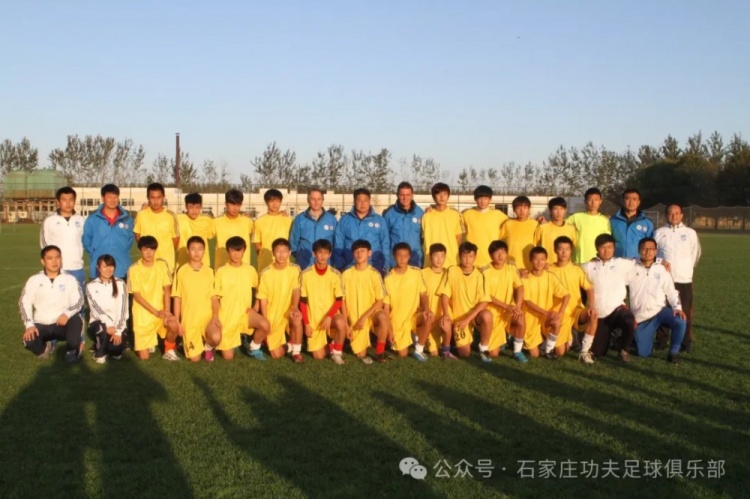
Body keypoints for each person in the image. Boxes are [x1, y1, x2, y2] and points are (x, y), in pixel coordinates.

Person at [19, 245, 84, 363]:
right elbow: (24, 302)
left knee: (76, 320)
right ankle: (45, 348)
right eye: (50, 258)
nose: (54, 261)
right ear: (43, 261)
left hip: (62, 323)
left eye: (57, 257)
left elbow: (79, 301)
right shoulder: (34, 280)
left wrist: (67, 314)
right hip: (41, 323)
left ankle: (71, 351)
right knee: (28, 341)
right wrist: (29, 325)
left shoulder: (69, 279)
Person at [627, 238, 686, 363]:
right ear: (638, 250)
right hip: (641, 317)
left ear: (656, 251)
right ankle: (634, 339)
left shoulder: (662, 269)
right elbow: (614, 263)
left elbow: (671, 291)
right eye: (644, 248)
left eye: (651, 249)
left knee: (680, 320)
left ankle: (674, 352)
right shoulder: (630, 267)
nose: (648, 252)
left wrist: (677, 307)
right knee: (643, 353)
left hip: (660, 312)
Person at [581, 234, 636, 363]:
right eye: (603, 247)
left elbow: (643, 259)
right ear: (597, 249)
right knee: (598, 352)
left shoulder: (622, 263)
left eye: (610, 247)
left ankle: (624, 350)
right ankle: (612, 339)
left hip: (617, 309)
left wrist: (661, 261)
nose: (606, 251)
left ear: (614, 248)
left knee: (629, 320)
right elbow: (570, 269)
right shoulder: (588, 266)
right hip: (599, 314)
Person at [212, 236, 269, 361]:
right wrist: (216, 316)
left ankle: (254, 348)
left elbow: (258, 291)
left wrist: (255, 308)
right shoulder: (221, 271)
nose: (236, 254)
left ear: (244, 251)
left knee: (265, 324)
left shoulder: (250, 270)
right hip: (228, 317)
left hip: (245, 314)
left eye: (239, 250)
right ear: (228, 251)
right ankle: (236, 339)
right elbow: (215, 297)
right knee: (228, 357)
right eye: (233, 250)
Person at [654, 204, 701, 352]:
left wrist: (686, 269)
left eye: (676, 213)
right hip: (663, 279)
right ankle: (661, 341)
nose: (673, 215)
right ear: (666, 215)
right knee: (662, 309)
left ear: (681, 215)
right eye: (670, 213)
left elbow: (695, 253)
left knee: (685, 311)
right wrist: (661, 264)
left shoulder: (690, 233)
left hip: (683, 279)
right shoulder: (659, 233)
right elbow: (653, 254)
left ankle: (685, 343)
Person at [127, 236, 181, 360]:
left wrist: (167, 312)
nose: (149, 253)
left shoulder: (161, 265)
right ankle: (150, 342)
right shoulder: (133, 269)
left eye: (151, 249)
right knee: (144, 358)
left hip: (161, 312)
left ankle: (169, 349)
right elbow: (137, 296)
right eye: (145, 249)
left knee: (173, 324)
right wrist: (155, 312)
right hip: (143, 316)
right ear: (140, 250)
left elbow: (167, 289)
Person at [548, 236, 598, 363]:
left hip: (575, 311)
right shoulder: (548, 269)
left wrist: (591, 305)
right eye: (560, 249)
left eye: (567, 249)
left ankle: (584, 352)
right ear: (555, 250)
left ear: (571, 251)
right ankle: (566, 339)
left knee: (593, 314)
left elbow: (589, 287)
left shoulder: (577, 269)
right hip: (558, 313)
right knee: (560, 352)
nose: (564, 252)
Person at [439, 242, 491, 360]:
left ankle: (484, 349)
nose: (467, 260)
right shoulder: (452, 270)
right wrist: (446, 314)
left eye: (471, 256)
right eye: (464, 256)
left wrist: (467, 319)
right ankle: (449, 344)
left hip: (472, 316)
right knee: (465, 353)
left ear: (475, 257)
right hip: (457, 317)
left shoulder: (480, 275)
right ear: (459, 256)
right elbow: (444, 294)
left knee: (487, 315)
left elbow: (484, 301)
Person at [299, 239, 348, 364]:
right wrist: (306, 323)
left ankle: (337, 353)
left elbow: (339, 300)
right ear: (314, 254)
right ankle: (332, 345)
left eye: (326, 252)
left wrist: (329, 316)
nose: (323, 256)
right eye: (320, 252)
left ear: (330, 254)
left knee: (341, 321)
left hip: (331, 315)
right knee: (319, 356)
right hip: (314, 318)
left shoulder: (335, 274)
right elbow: (303, 302)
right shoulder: (305, 274)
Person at [341, 240, 390, 363]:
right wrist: (346, 325)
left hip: (371, 314)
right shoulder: (346, 274)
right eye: (356, 252)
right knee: (360, 354)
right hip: (355, 318)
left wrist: (364, 317)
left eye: (362, 251)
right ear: (352, 254)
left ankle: (380, 352)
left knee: (383, 316)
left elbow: (380, 301)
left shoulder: (375, 274)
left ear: (369, 253)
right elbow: (342, 301)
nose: (359, 254)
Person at [172, 236, 220, 362]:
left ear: (204, 251)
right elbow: (177, 298)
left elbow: (215, 299)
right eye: (193, 249)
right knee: (195, 359)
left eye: (200, 249)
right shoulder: (181, 271)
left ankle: (208, 347)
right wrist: (177, 321)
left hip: (207, 318)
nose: (196, 252)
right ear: (187, 251)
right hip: (190, 320)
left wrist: (215, 316)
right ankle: (191, 344)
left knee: (216, 337)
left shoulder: (210, 271)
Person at [257, 238, 304, 362]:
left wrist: (295, 307)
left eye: (284, 251)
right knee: (276, 354)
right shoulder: (266, 273)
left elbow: (296, 290)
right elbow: (263, 298)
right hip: (273, 315)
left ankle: (296, 352)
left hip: (289, 311)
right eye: (278, 251)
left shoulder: (295, 269)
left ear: (289, 253)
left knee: (297, 317)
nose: (281, 255)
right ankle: (290, 344)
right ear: (273, 253)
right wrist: (265, 319)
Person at [384, 243, 433, 360]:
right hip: (398, 321)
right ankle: (407, 338)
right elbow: (386, 308)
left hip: (414, 316)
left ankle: (419, 349)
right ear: (394, 256)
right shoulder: (388, 279)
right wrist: (389, 330)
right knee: (403, 355)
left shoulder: (416, 273)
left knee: (429, 316)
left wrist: (427, 309)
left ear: (409, 256)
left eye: (405, 256)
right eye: (399, 256)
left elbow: (423, 294)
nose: (402, 259)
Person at [482, 240, 527, 362]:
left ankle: (517, 351)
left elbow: (519, 287)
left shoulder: (511, 267)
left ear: (507, 254)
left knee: (520, 317)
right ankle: (501, 338)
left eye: (503, 252)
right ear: (490, 255)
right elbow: (487, 296)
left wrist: (517, 306)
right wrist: (506, 306)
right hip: (493, 313)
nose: (500, 255)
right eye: (497, 252)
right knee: (493, 354)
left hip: (509, 310)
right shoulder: (485, 271)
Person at [521, 247, 570, 359]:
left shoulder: (550, 276)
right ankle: (522, 340)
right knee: (535, 355)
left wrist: (560, 313)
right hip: (531, 317)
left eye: (542, 259)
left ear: (546, 260)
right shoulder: (525, 278)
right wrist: (547, 313)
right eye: (536, 259)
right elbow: (527, 302)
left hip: (547, 317)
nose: (539, 262)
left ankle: (548, 349)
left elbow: (566, 295)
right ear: (530, 260)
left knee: (561, 351)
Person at [83, 184, 135, 279]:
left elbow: (130, 241)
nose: (113, 200)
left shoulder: (127, 220)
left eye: (115, 197)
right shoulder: (92, 219)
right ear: (103, 198)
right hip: (99, 271)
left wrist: (121, 251)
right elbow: (86, 240)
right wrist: (96, 252)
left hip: (121, 269)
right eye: (109, 197)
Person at [333, 188, 390, 273]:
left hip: (374, 267)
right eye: (359, 200)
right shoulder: (345, 220)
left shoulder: (379, 220)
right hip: (350, 267)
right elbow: (338, 243)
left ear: (369, 201)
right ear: (354, 202)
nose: (362, 203)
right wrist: (340, 265)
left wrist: (385, 266)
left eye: (365, 200)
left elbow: (385, 243)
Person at [86, 254, 129, 364]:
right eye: (105, 266)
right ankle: (100, 352)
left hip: (117, 324)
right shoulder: (91, 286)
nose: (108, 270)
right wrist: (109, 324)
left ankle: (111, 345)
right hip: (99, 322)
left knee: (116, 351)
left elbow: (123, 309)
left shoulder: (120, 283)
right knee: (103, 328)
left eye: (111, 266)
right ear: (98, 267)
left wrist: (118, 330)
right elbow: (96, 309)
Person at [40, 186, 86, 289]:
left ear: (74, 201)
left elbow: (85, 242)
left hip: (77, 268)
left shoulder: (81, 220)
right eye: (64, 200)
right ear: (58, 202)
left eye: (71, 200)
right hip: (58, 269)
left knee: (79, 298)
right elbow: (44, 245)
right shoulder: (49, 221)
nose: (68, 203)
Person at [134, 182, 179, 273]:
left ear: (163, 197)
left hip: (166, 264)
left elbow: (175, 241)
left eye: (159, 197)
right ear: (148, 198)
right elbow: (137, 235)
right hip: (147, 264)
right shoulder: (141, 215)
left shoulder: (170, 216)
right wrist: (147, 250)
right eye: (152, 198)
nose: (156, 201)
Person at [289, 188, 337, 270]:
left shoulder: (332, 219)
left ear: (322, 200)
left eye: (319, 199)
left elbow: (336, 242)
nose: (316, 202)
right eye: (313, 199)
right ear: (308, 200)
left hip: (326, 264)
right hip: (305, 264)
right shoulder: (300, 219)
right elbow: (293, 241)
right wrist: (300, 257)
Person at [462, 185, 508, 267]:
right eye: (480, 198)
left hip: (491, 260)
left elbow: (513, 224)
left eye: (485, 198)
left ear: (490, 199)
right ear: (475, 199)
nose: (482, 201)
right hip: (471, 261)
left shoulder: (498, 215)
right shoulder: (467, 214)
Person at [383, 181, 424, 267]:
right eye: (402, 195)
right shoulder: (389, 214)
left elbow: (424, 237)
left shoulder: (420, 213)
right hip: (396, 262)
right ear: (397, 195)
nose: (405, 198)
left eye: (408, 195)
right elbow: (384, 240)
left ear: (412, 195)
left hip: (415, 261)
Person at [421, 183, 463, 268]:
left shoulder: (455, 215)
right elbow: (422, 239)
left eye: (444, 194)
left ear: (448, 196)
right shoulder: (426, 216)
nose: (442, 197)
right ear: (434, 196)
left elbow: (458, 237)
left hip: (451, 261)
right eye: (438, 194)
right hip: (431, 262)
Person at [420, 243, 450, 359]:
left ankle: (447, 348)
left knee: (447, 323)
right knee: (434, 353)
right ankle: (421, 338)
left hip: (444, 312)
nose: (439, 259)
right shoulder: (423, 273)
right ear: (430, 257)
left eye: (442, 256)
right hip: (430, 313)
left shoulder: (448, 273)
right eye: (436, 256)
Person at [567, 187, 611, 264]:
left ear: (600, 201)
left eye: (596, 200)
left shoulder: (605, 221)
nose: (593, 203)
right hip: (579, 260)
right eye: (590, 200)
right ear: (585, 201)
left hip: (597, 261)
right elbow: (560, 227)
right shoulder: (575, 218)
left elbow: (606, 242)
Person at [253, 189, 293, 272]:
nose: (275, 204)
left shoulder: (288, 220)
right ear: (266, 202)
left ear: (281, 202)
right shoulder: (259, 222)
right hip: (265, 263)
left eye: (277, 201)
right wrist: (264, 256)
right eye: (271, 201)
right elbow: (257, 242)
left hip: (284, 263)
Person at [214, 189, 254, 269]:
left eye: (238, 205)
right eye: (232, 204)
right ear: (226, 204)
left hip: (243, 268)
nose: (235, 208)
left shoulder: (247, 222)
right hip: (223, 268)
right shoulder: (216, 222)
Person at [610, 188, 654, 258]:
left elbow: (651, 245)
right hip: (618, 261)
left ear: (638, 202)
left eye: (634, 199)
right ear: (622, 201)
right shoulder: (613, 221)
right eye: (627, 199)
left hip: (638, 262)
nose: (631, 202)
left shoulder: (647, 223)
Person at [499, 196, 539, 270]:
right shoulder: (508, 224)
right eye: (518, 208)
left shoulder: (535, 224)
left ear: (529, 209)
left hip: (529, 266)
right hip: (511, 265)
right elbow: (496, 238)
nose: (521, 211)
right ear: (514, 210)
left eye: (525, 208)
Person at [534, 196, 577, 265]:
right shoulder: (542, 228)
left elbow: (574, 249)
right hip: (547, 267)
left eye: (561, 209)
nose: (558, 212)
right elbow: (534, 247)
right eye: (555, 209)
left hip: (565, 266)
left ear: (565, 210)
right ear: (550, 211)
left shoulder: (571, 229)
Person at [176, 192, 215, 268]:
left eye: (197, 207)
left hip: (203, 263)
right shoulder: (178, 219)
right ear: (186, 206)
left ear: (201, 207)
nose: (194, 210)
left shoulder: (207, 220)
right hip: (183, 263)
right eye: (191, 207)